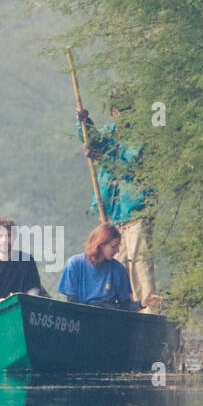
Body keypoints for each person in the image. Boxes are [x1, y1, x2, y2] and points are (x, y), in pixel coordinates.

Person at [76, 104, 156, 306]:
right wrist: (84, 122)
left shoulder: (140, 137)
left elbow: (131, 167)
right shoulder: (109, 134)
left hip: (136, 209)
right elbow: (92, 139)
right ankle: (122, 310)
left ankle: (147, 311)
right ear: (113, 112)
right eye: (121, 111)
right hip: (113, 212)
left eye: (130, 110)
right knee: (117, 263)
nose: (125, 116)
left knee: (140, 263)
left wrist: (104, 159)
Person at [58, 223, 162, 312]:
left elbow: (125, 306)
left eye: (118, 246)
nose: (117, 251)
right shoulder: (75, 264)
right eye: (114, 246)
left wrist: (142, 303)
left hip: (108, 318)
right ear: (100, 244)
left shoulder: (118, 270)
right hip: (82, 316)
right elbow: (71, 303)